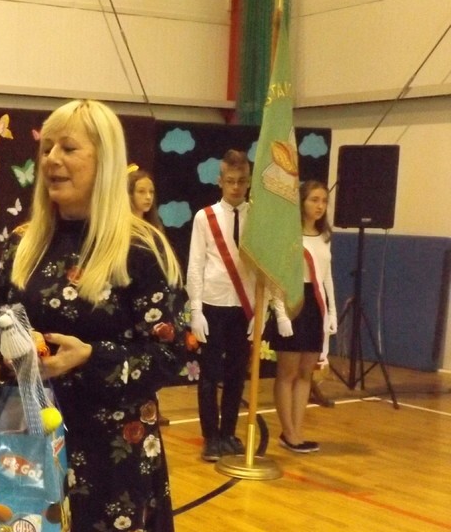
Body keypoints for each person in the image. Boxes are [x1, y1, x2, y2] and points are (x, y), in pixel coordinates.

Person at [0, 99, 184, 532]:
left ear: (105, 160)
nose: (53, 159)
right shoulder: (24, 245)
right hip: (37, 451)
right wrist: (7, 360)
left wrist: (92, 357)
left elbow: (172, 354)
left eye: (69, 148)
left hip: (117, 461)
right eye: (47, 147)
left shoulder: (140, 249)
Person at [187, 149, 258, 461]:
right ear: (220, 181)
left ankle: (228, 432)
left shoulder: (258, 217)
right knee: (209, 375)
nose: (236, 187)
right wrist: (196, 310)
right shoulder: (205, 217)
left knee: (236, 374)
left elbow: (263, 269)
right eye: (230, 180)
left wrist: (260, 311)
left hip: (244, 306)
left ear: (249, 181)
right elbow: (195, 265)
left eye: (241, 181)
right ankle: (210, 437)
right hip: (213, 303)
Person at [271, 180, 338, 452]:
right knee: (287, 373)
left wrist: (331, 312)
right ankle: (288, 432)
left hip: (315, 304)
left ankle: (298, 432)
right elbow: (277, 276)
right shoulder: (288, 235)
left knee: (305, 374)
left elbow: (326, 276)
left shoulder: (324, 236)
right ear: (301, 202)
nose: (320, 206)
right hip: (292, 301)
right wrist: (281, 314)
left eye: (324, 201)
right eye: (314, 200)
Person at [128, 166, 171, 425]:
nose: (147, 197)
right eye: (141, 191)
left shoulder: (154, 227)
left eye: (151, 192)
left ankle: (152, 406)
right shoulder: (123, 228)